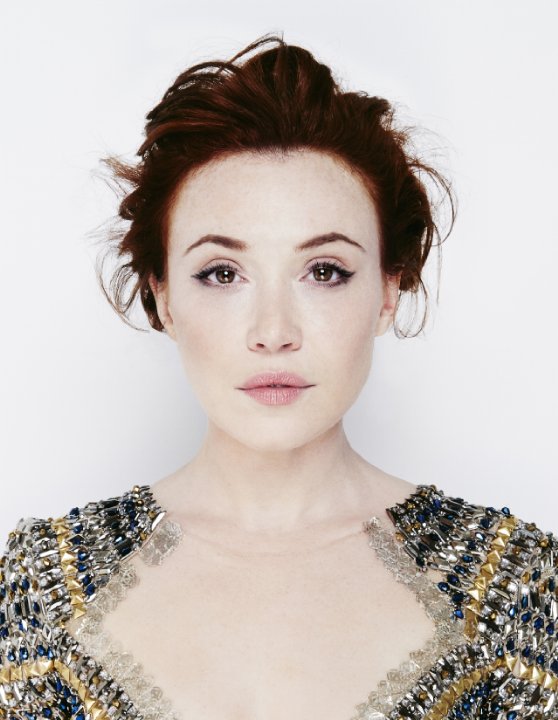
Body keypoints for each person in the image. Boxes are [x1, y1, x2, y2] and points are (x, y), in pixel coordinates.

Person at [1, 33, 556, 720]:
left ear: (388, 291)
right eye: (221, 273)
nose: (273, 330)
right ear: (163, 296)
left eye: (324, 271)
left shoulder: (515, 588)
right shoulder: (42, 588)